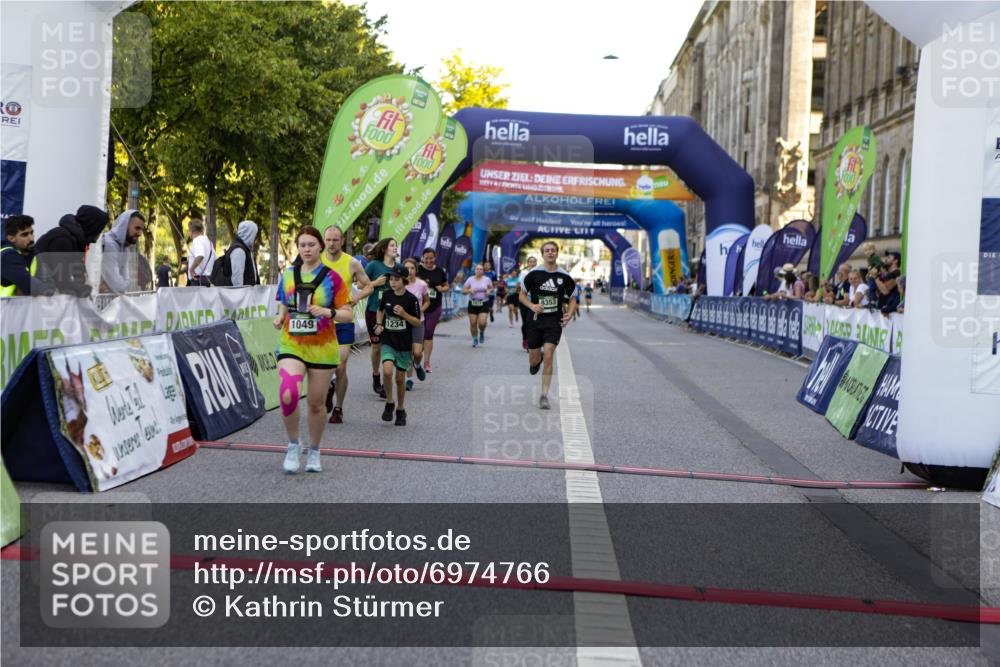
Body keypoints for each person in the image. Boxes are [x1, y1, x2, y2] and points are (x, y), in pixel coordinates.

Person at [272, 226, 353, 474]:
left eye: (311, 245)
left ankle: (315, 450)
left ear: (320, 247)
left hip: (322, 348)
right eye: (302, 245)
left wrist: (328, 312)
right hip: (292, 344)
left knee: (316, 404)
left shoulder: (332, 278)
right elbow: (284, 302)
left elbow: (348, 314)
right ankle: (293, 444)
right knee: (288, 394)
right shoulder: (288, 274)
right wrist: (280, 317)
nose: (306, 249)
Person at [322, 225, 374, 424]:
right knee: (322, 366)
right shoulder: (316, 260)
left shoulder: (352, 263)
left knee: (341, 366)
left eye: (335, 240)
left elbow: (369, 286)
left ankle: (338, 408)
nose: (332, 243)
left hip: (343, 320)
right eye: (328, 240)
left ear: (342, 241)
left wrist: (355, 298)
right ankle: (329, 388)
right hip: (322, 321)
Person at [520, 242, 576, 410]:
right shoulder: (533, 274)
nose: (550, 253)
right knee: (534, 358)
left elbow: (572, 298)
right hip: (535, 320)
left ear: (557, 253)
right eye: (547, 250)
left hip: (554, 321)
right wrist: (532, 305)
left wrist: (570, 313)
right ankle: (535, 362)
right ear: (542, 254)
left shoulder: (565, 276)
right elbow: (522, 295)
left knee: (549, 354)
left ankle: (544, 396)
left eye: (553, 250)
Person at [375, 264, 422, 426]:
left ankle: (401, 409)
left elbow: (417, 322)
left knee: (400, 379)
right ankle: (389, 402)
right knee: (387, 371)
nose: (393, 282)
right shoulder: (387, 295)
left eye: (396, 279)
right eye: (391, 279)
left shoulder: (411, 299)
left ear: (404, 281)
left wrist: (403, 314)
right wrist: (379, 324)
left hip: (404, 344)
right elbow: (380, 310)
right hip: (388, 340)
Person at [33, 205, 108, 297]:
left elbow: (78, 272)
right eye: (100, 229)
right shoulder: (63, 239)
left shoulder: (78, 241)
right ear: (92, 227)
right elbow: (61, 279)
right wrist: (84, 290)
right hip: (38, 292)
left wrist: (85, 285)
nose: (100, 234)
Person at [364, 237, 398, 397]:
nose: (395, 248)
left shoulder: (398, 267)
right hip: (373, 311)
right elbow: (360, 285)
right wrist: (375, 283)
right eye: (392, 245)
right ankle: (376, 375)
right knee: (377, 348)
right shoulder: (373, 265)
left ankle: (387, 381)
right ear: (384, 249)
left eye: (396, 245)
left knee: (390, 347)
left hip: (392, 314)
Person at [416, 247, 450, 373]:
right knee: (419, 334)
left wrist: (442, 289)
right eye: (426, 258)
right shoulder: (417, 270)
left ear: (435, 258)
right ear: (423, 258)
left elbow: (447, 286)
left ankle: (426, 362)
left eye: (431, 258)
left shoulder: (440, 271)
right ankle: (417, 355)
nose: (429, 261)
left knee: (428, 333)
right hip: (419, 307)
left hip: (434, 307)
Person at [100, 209, 145, 294]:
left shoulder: (125, 249)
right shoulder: (109, 243)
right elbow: (117, 285)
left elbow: (123, 283)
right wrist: (120, 284)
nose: (140, 233)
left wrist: (119, 284)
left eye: (141, 229)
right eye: (137, 228)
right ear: (125, 225)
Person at [402, 258, 429, 390]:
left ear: (416, 270)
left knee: (417, 353)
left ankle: (417, 365)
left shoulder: (422, 284)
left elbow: (427, 301)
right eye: (407, 268)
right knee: (407, 352)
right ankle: (409, 379)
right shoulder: (400, 283)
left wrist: (420, 310)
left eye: (412, 268)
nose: (409, 270)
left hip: (418, 321)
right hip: (403, 322)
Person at [1, 214, 42, 297]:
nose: (31, 238)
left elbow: (51, 284)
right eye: (25, 235)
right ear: (11, 238)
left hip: (19, 304)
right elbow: (30, 287)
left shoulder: (33, 252)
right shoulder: (7, 256)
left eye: (31, 233)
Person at [462, 263, 493, 347]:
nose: (479, 271)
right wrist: (469, 290)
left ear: (483, 271)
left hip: (484, 303)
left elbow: (491, 288)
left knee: (482, 323)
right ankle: (475, 339)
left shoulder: (487, 279)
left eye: (481, 269)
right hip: (472, 303)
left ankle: (482, 332)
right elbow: (463, 291)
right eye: (477, 269)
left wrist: (488, 291)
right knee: (473, 323)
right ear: (475, 270)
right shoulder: (470, 279)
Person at [228, 220, 259, 287]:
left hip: (248, 292)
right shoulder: (239, 251)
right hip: (243, 293)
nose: (255, 237)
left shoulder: (245, 249)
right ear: (249, 234)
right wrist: (240, 293)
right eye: (254, 234)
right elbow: (237, 280)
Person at [187, 219, 215, 286]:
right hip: (209, 278)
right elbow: (214, 260)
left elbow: (200, 255)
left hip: (198, 280)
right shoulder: (209, 242)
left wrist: (191, 270)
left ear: (191, 231)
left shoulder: (197, 240)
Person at [518, 256, 538, 351]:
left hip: (536, 301)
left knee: (535, 322)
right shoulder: (523, 273)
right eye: (530, 261)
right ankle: (525, 339)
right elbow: (520, 285)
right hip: (525, 301)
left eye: (534, 261)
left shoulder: (540, 272)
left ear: (536, 263)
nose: (532, 263)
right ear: (528, 263)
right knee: (526, 322)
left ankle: (533, 341)